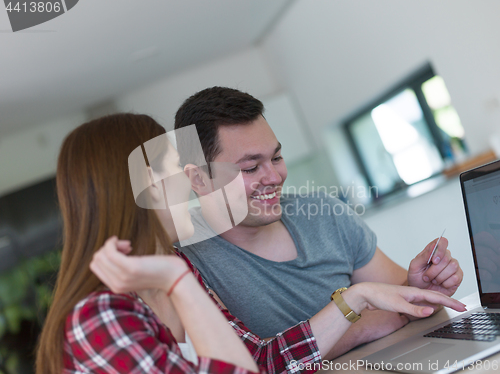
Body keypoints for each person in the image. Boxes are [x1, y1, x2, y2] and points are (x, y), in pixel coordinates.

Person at [36, 113, 465, 374]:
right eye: (172, 174)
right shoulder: (102, 316)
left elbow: (260, 361)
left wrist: (358, 296)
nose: (186, 189)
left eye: (275, 158)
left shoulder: (173, 269)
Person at [173, 87, 465, 359]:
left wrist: (421, 289)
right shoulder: (184, 261)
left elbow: (409, 303)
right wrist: (361, 326)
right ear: (199, 178)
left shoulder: (325, 212)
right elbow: (249, 363)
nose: (274, 177)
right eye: (250, 168)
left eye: (276, 157)